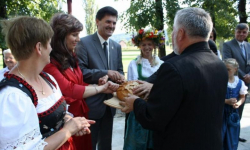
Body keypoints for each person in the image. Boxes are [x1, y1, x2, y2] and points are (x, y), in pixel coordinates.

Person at [120, 7, 228, 149]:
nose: (172, 35)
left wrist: (135, 103)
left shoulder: (173, 67)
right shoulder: (219, 64)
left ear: (181, 33)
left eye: (174, 31)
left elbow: (154, 118)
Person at [0, 16, 95, 150]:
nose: (51, 49)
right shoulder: (13, 96)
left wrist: (69, 122)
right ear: (39, 47)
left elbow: (59, 115)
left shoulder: (48, 78)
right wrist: (67, 131)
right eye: (49, 44)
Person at [43, 13, 119, 150]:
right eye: (74, 35)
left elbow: (79, 83)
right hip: (65, 119)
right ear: (60, 36)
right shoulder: (49, 63)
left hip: (81, 115)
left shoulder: (71, 56)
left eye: (78, 34)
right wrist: (100, 89)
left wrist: (98, 85)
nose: (78, 39)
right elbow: (70, 89)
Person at [76, 6, 124, 150]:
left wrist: (120, 78)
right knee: (89, 145)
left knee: (106, 146)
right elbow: (81, 72)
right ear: (97, 21)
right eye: (108, 22)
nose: (112, 26)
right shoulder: (84, 43)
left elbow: (119, 70)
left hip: (111, 106)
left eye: (114, 23)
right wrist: (106, 72)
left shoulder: (116, 46)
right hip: (91, 106)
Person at [124, 28, 164, 150]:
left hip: (156, 110)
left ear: (154, 45)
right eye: (144, 45)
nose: (147, 47)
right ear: (139, 46)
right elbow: (130, 88)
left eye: (150, 44)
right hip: (139, 110)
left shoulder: (162, 64)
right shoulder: (134, 64)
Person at [223, 23, 250, 142]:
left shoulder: (248, 45)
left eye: (244, 32)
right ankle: (228, 133)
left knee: (240, 107)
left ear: (247, 33)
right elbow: (228, 61)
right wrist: (244, 75)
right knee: (231, 109)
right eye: (239, 31)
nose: (241, 34)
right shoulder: (228, 45)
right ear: (235, 32)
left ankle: (236, 133)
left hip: (246, 83)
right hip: (234, 80)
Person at [222, 58, 248, 150]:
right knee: (221, 138)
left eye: (228, 69)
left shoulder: (240, 83)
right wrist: (226, 101)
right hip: (221, 114)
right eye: (224, 69)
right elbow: (215, 97)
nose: (226, 71)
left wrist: (238, 103)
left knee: (233, 139)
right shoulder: (221, 82)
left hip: (233, 115)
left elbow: (242, 96)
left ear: (235, 70)